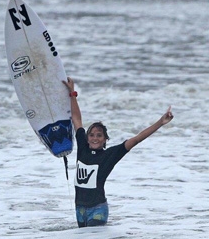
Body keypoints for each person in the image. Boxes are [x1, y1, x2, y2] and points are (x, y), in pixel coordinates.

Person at [63, 77, 174, 228]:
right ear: (87, 138)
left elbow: (136, 140)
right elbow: (76, 119)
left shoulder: (109, 155)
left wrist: (160, 123)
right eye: (92, 135)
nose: (95, 138)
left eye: (99, 135)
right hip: (80, 209)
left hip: (98, 209)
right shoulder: (82, 146)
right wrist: (72, 93)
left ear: (104, 140)